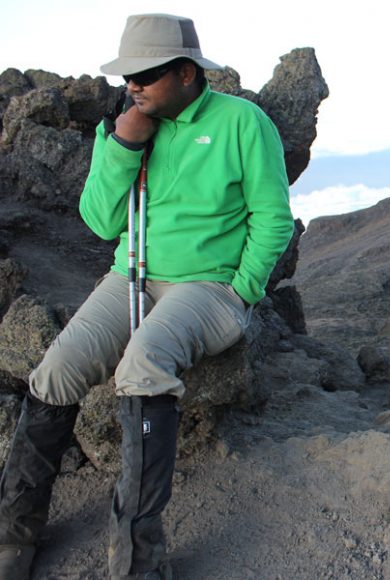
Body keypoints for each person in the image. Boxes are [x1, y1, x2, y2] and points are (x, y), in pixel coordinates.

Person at [0, 13, 294, 579]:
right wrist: (122, 146)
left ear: (186, 73)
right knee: (55, 369)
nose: (130, 86)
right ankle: (15, 532)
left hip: (208, 285)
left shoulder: (242, 123)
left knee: (143, 364)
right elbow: (99, 221)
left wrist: (242, 290)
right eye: (126, 77)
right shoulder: (128, 125)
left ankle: (136, 556)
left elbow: (273, 217)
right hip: (129, 275)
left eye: (144, 75)